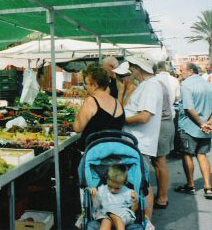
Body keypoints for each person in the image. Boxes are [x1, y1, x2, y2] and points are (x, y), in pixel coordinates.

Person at [121, 54, 163, 219]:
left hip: (140, 143)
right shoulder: (149, 85)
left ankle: (146, 222)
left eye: (132, 66)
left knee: (143, 184)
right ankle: (141, 220)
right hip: (138, 142)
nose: (130, 70)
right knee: (138, 182)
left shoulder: (150, 86)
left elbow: (144, 117)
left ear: (138, 68)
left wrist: (121, 119)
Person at [174, 62, 212, 198]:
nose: (180, 72)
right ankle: (208, 187)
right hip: (206, 127)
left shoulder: (186, 84)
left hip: (190, 126)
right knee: (202, 155)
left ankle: (190, 185)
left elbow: (188, 107)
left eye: (182, 70)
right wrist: (209, 123)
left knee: (187, 154)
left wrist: (202, 123)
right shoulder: (207, 83)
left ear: (190, 71)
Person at [73, 64, 125, 151]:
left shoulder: (91, 101)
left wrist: (76, 116)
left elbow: (78, 128)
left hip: (94, 154)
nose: (85, 86)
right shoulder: (117, 102)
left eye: (86, 83)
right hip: (114, 153)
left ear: (95, 85)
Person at [151, 61, 176, 209]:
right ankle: (161, 194)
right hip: (165, 124)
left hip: (162, 126)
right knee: (159, 163)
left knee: (160, 163)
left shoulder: (155, 85)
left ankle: (162, 198)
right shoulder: (160, 83)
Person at [90, 164, 138, 230]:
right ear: (107, 179)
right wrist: (94, 197)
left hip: (122, 215)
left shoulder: (127, 192)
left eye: (117, 188)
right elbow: (96, 207)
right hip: (105, 213)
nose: (113, 190)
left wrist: (135, 201)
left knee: (117, 218)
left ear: (124, 183)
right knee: (106, 221)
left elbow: (133, 210)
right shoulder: (102, 189)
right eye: (110, 186)